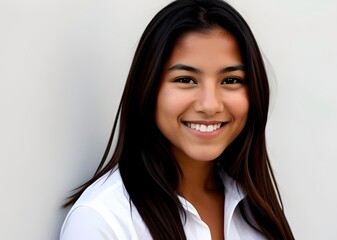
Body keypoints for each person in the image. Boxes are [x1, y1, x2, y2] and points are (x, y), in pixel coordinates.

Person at [60, 0, 295, 239]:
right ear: (148, 88)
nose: (210, 105)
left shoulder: (256, 209)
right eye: (185, 79)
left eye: (230, 80)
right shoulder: (103, 220)